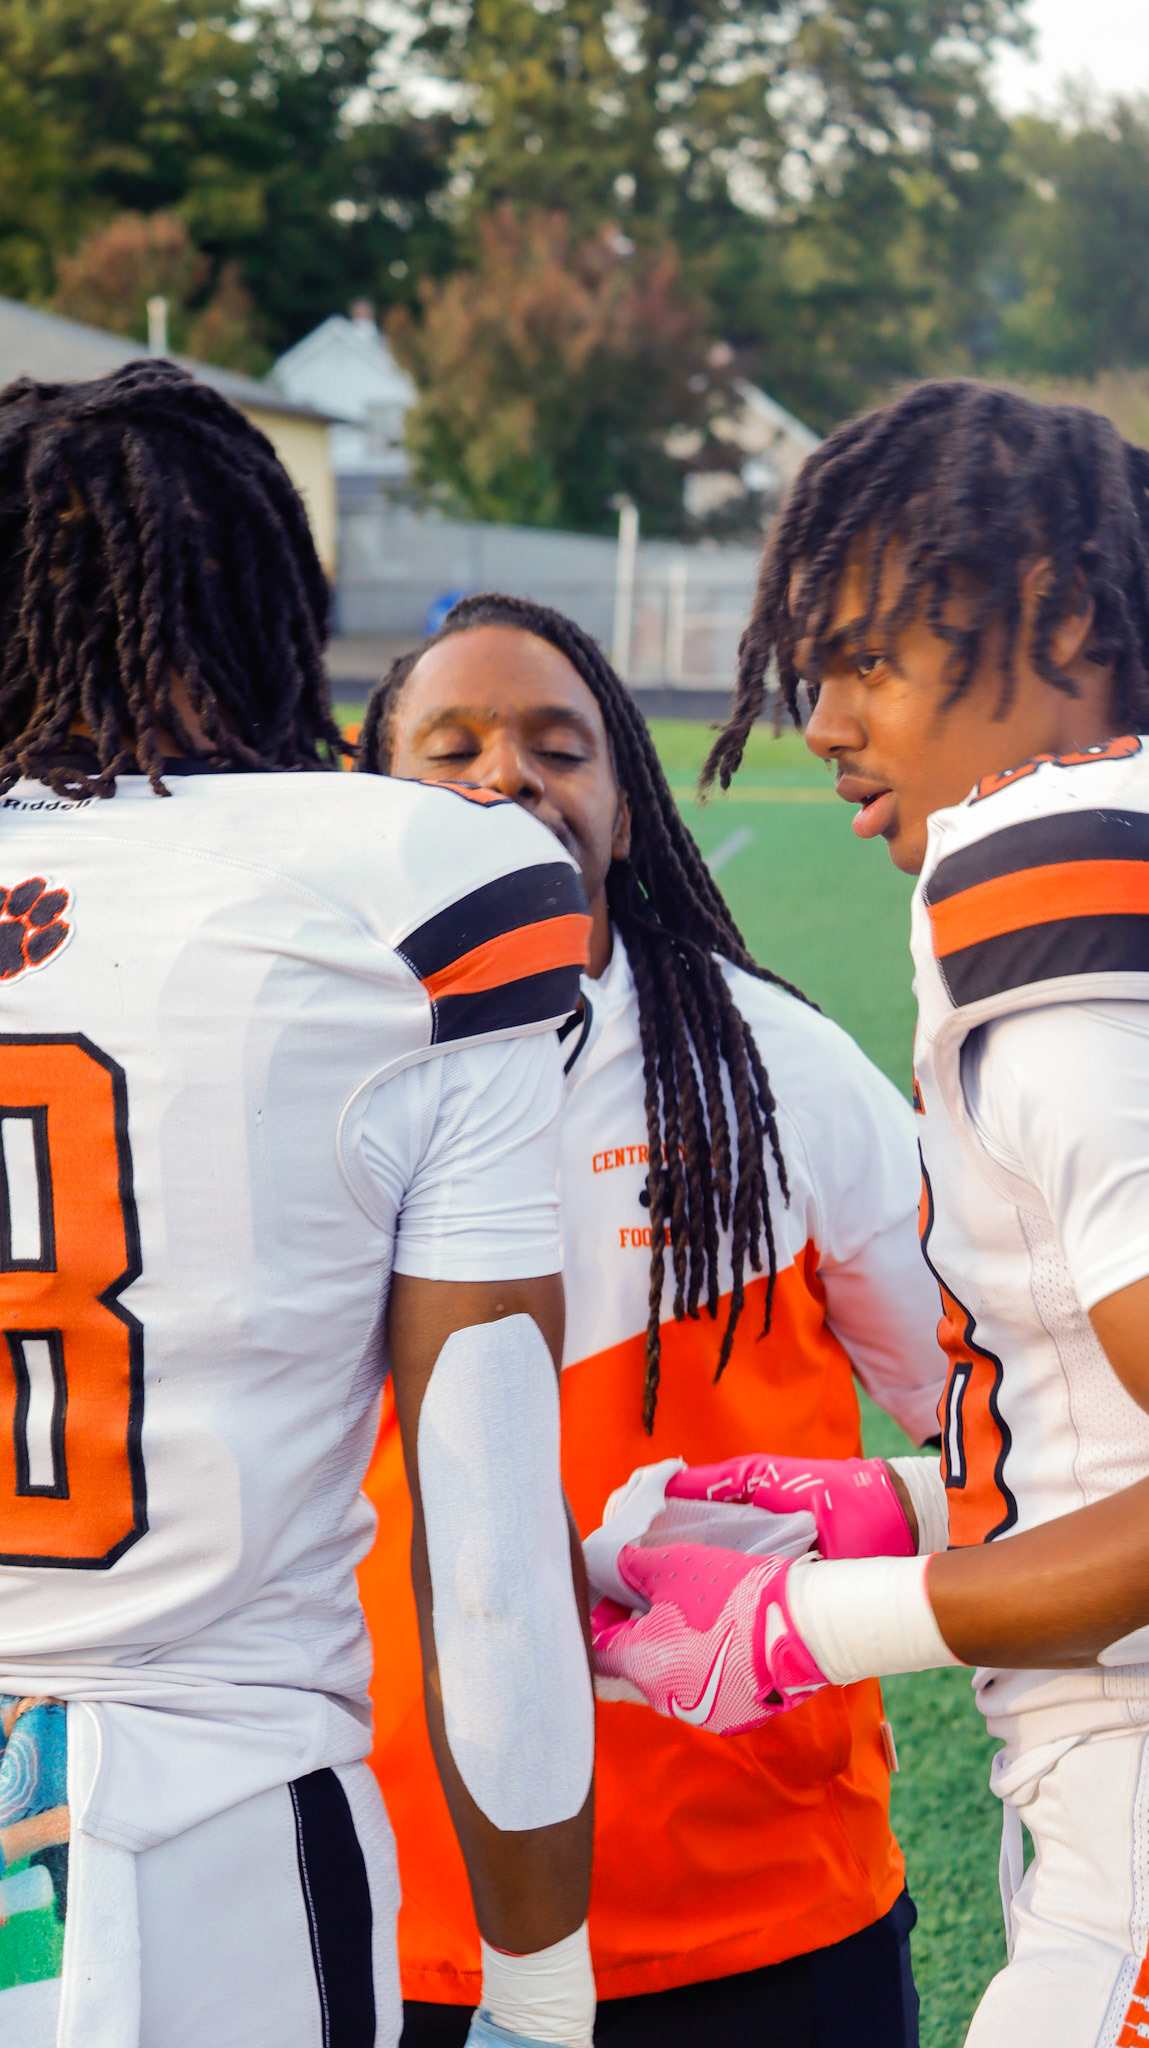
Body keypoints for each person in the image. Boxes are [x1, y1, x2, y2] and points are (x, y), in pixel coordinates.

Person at [0, 362, 596, 2048]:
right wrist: (538, 1989)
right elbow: (487, 1539)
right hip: (215, 1841)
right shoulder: (406, 883)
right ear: (266, 599)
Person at [594, 380, 1149, 2047]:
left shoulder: (1047, 928)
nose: (823, 719)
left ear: (1059, 613)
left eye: (866, 661)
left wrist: (810, 1623)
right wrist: (903, 1501)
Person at [355, 591, 946, 2047]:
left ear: (624, 813)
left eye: (560, 748)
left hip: (765, 1899)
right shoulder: (299, 1084)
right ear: (366, 807)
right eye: (451, 749)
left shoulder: (773, 1067)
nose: (507, 777)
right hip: (401, 1915)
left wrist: (865, 1553)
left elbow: (997, 1400)